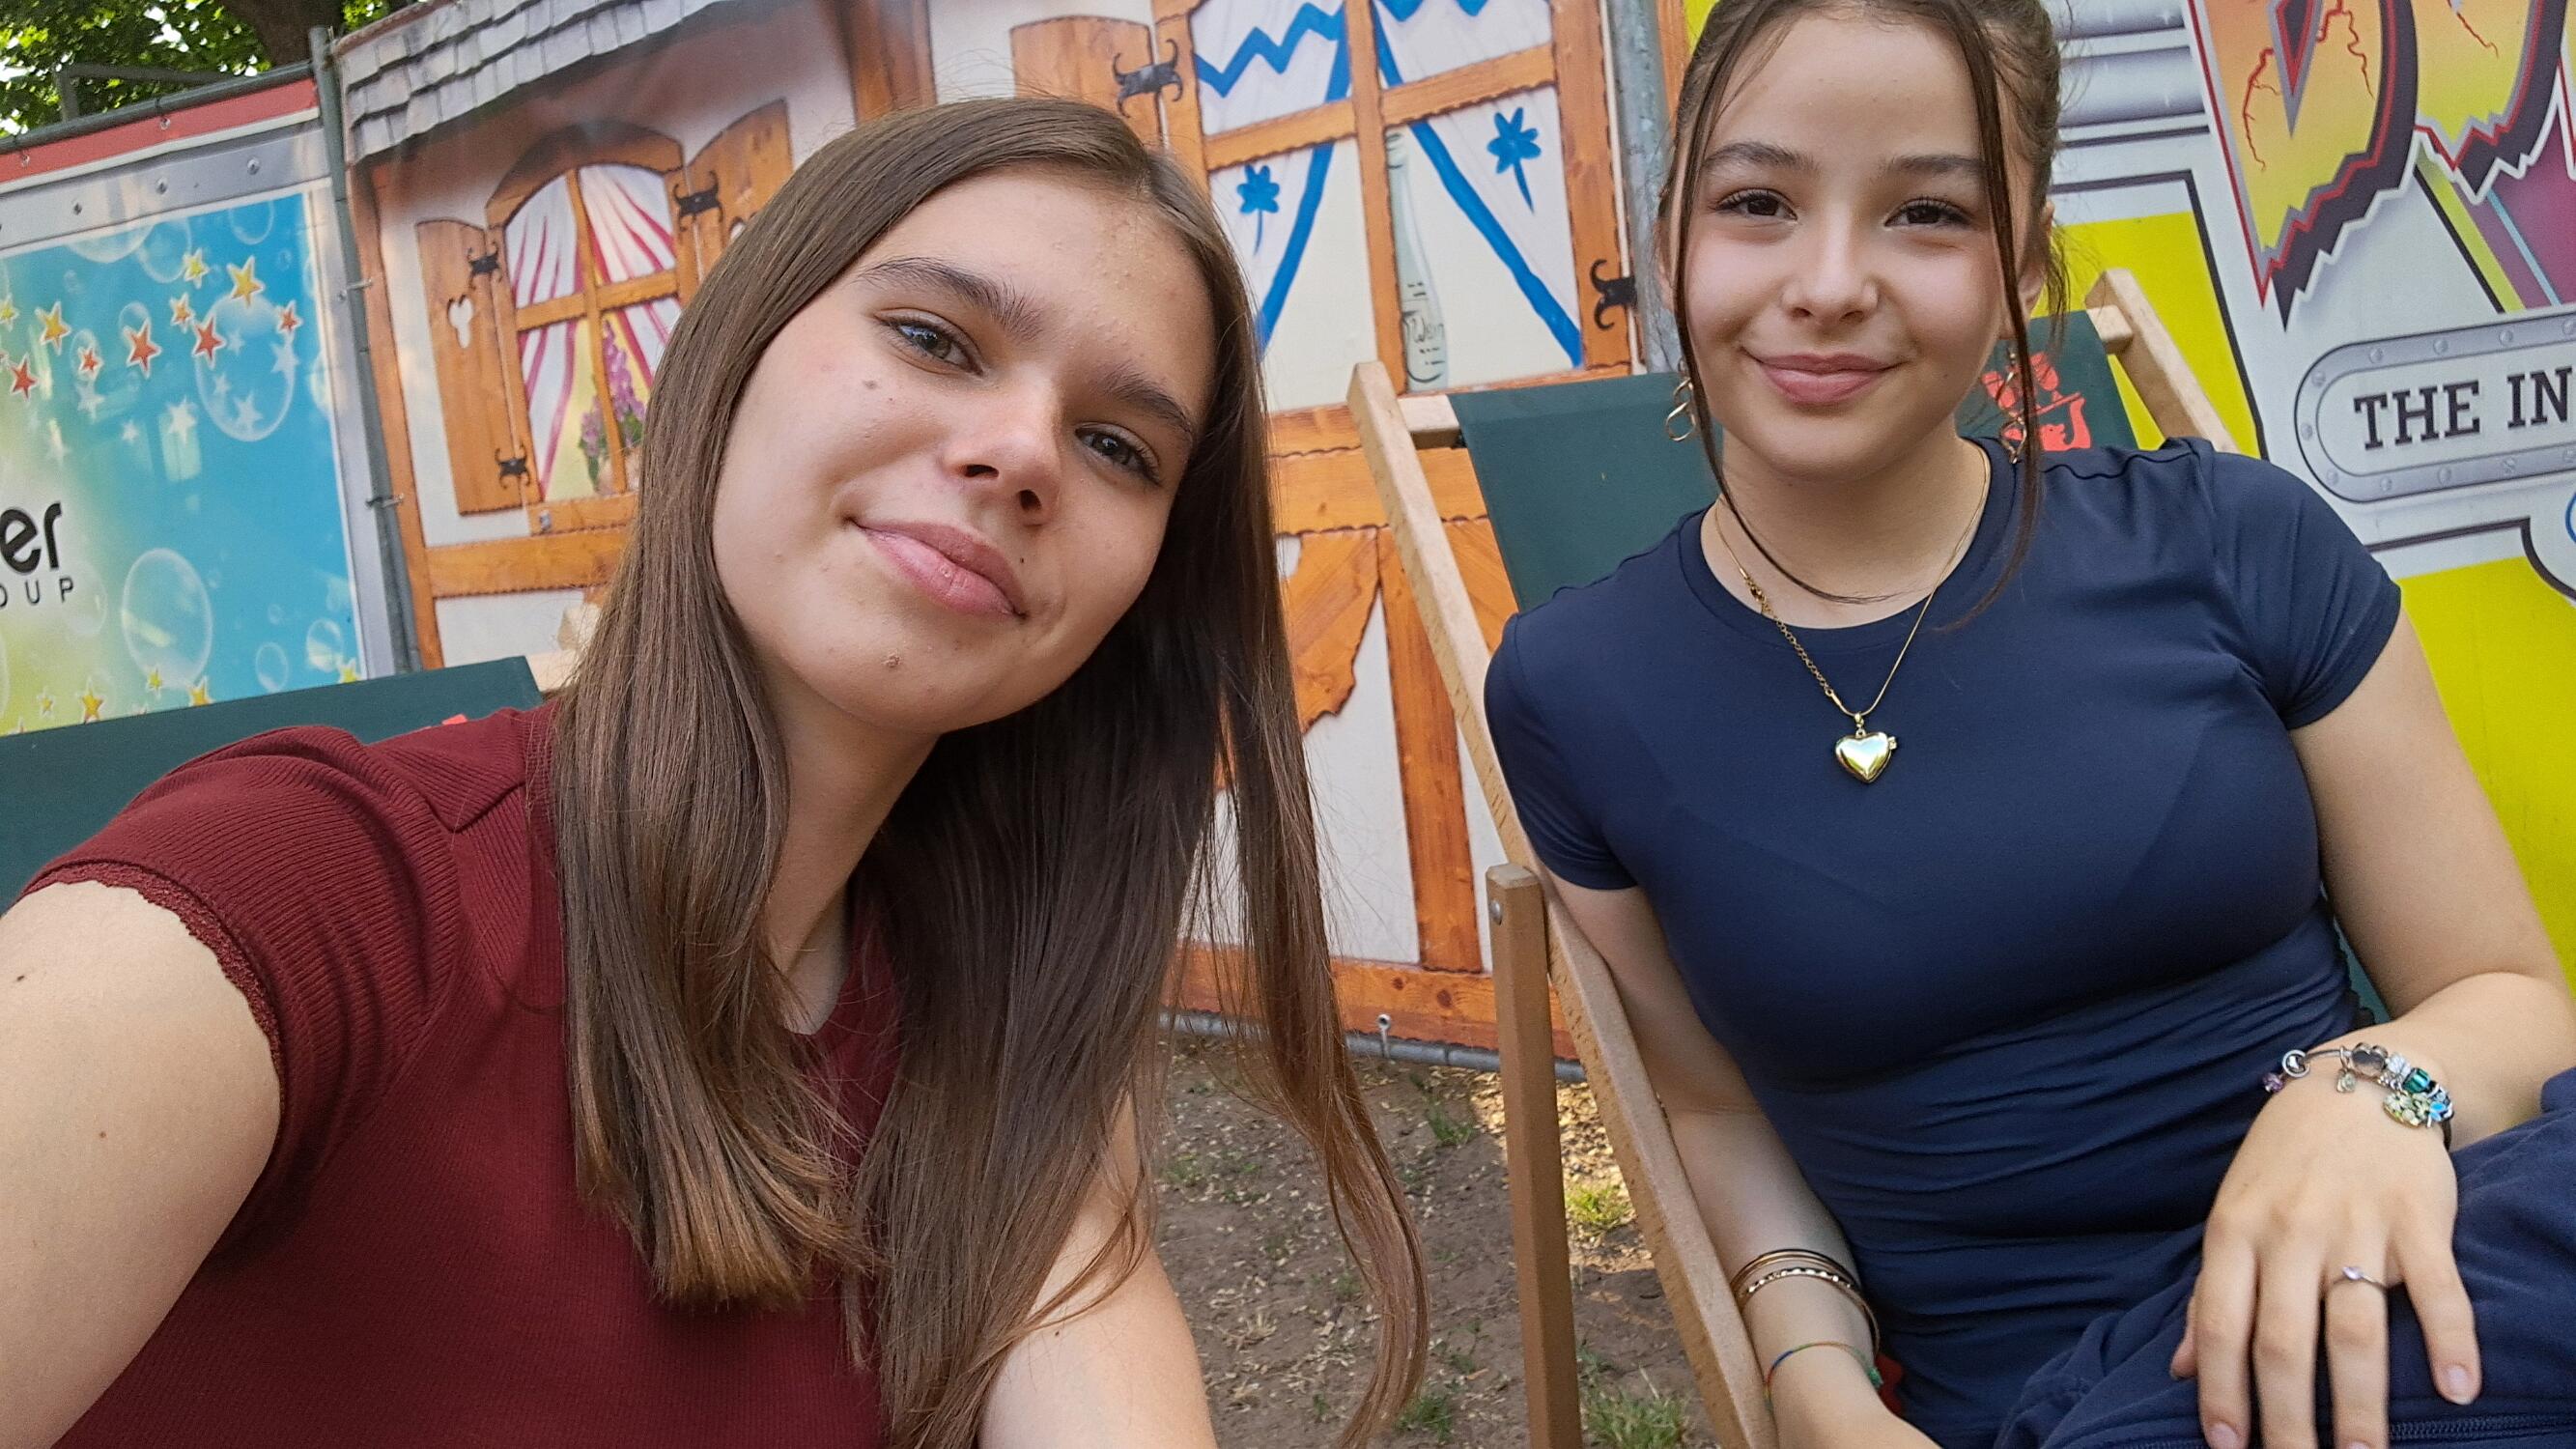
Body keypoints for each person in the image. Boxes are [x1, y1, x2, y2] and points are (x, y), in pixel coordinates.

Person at [0, 98, 1426, 1449]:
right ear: (730, 356)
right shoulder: (286, 905)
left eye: (1118, 445)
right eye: (934, 338)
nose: (1020, 453)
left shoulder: (1002, 1027)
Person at [1482, 3, 2576, 1446]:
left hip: (2429, 1274)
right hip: (2068, 1400)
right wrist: (1814, 1381)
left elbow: (2513, 999)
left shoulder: (2236, 544)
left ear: (2024, 269)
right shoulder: (1578, 688)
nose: (1829, 284)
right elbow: (1717, 1109)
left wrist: (2372, 1093)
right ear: (1670, 234)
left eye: (1927, 213)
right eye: (1757, 203)